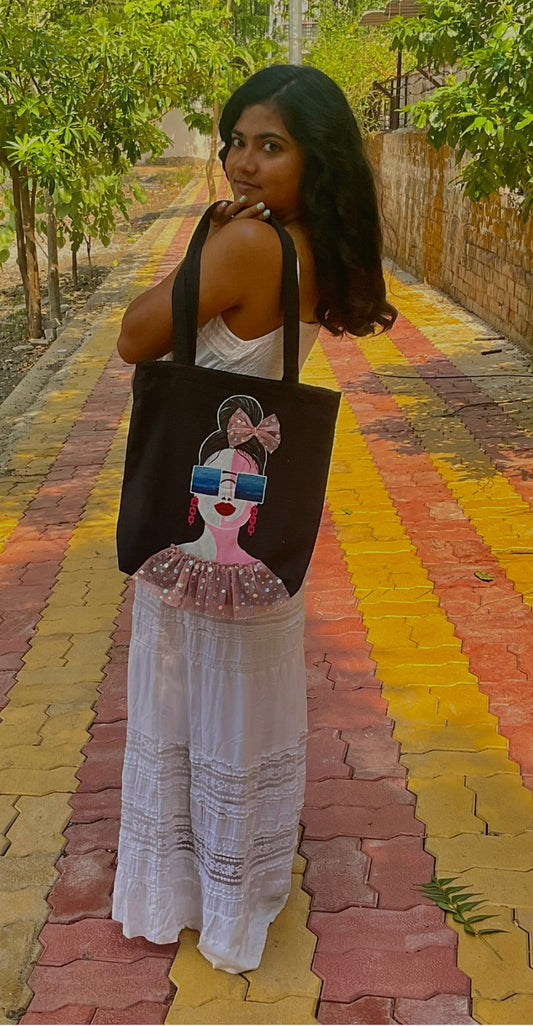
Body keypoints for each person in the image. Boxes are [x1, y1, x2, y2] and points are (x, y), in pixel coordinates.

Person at [112, 63, 396, 973]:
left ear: (316, 158)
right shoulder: (313, 245)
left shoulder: (245, 248)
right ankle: (239, 887)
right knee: (240, 711)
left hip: (195, 520)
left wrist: (199, 244)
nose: (240, 161)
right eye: (236, 141)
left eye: (268, 146)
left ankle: (185, 889)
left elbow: (133, 333)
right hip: (258, 536)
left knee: (184, 700)